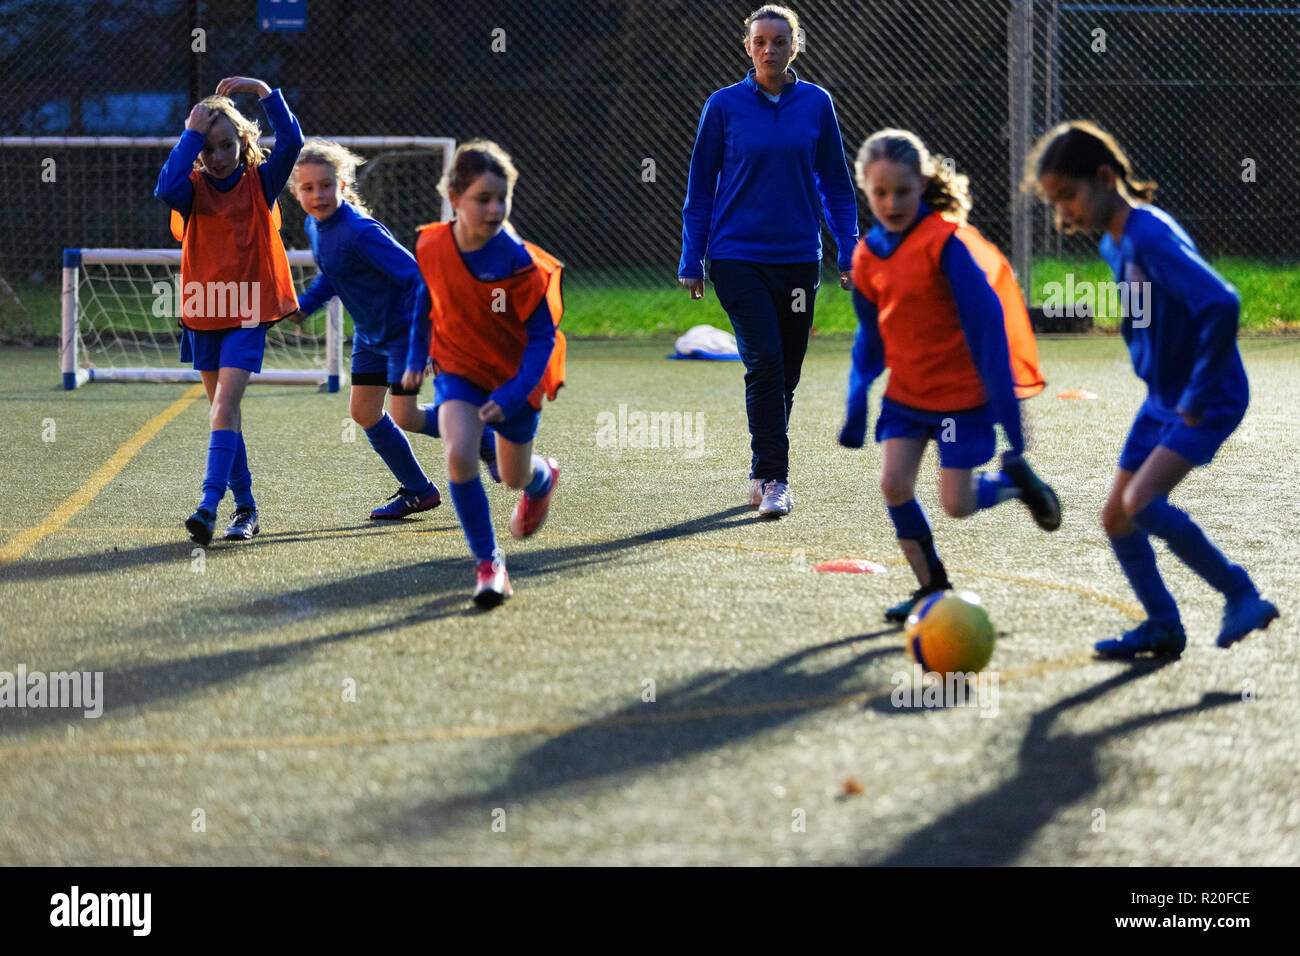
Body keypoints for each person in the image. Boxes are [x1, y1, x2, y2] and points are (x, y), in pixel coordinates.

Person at [1029, 120, 1278, 656]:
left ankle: (1241, 593)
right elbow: (1151, 311)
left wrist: (1195, 391)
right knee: (1117, 515)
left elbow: (1221, 302)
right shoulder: (1116, 246)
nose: (1063, 212)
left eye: (1068, 196)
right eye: (1055, 201)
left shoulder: (1149, 235)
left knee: (1142, 501)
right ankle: (1164, 625)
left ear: (1104, 175)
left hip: (1205, 398)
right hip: (1164, 398)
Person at [840, 129, 1059, 622]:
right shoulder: (866, 257)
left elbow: (988, 334)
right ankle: (931, 588)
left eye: (902, 190)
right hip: (907, 397)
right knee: (894, 486)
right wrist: (858, 398)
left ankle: (1014, 484)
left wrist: (1012, 424)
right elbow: (870, 337)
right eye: (880, 192)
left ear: (922, 185)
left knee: (956, 505)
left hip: (962, 399)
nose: (892, 202)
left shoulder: (945, 245)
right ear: (865, 190)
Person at [679, 4, 858, 518]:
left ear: (794, 45)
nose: (769, 50)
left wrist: (849, 249)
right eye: (760, 41)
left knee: (787, 374)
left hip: (800, 261)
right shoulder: (722, 106)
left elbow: (836, 188)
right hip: (737, 258)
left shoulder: (817, 104)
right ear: (747, 47)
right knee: (765, 361)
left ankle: (761, 468)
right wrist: (692, 258)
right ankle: (777, 480)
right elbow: (700, 189)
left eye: (780, 41)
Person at [287, 139, 498, 520]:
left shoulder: (360, 231)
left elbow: (417, 279)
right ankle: (419, 491)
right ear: (296, 192)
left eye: (326, 185)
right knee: (365, 412)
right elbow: (333, 275)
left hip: (403, 336)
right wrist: (303, 307)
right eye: (308, 187)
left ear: (343, 186)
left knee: (406, 416)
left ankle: (482, 435)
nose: (318, 194)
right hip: (370, 339)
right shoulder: (314, 226)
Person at [408, 141, 565, 608]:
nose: (495, 208)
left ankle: (542, 479)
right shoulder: (431, 244)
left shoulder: (520, 264)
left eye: (503, 198)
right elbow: (423, 301)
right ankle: (489, 564)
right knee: (459, 453)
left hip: (515, 381)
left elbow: (543, 339)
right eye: (483, 198)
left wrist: (516, 392)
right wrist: (417, 355)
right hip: (459, 369)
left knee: (514, 476)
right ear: (455, 197)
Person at [155, 76, 303, 545]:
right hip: (203, 312)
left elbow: (294, 140)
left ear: (243, 142)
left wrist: (263, 91)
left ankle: (207, 505)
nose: (216, 157)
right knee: (226, 414)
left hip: (245, 314)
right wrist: (189, 135)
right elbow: (164, 186)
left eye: (225, 145)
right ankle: (248, 509)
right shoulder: (192, 187)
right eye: (207, 147)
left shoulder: (261, 182)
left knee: (224, 406)